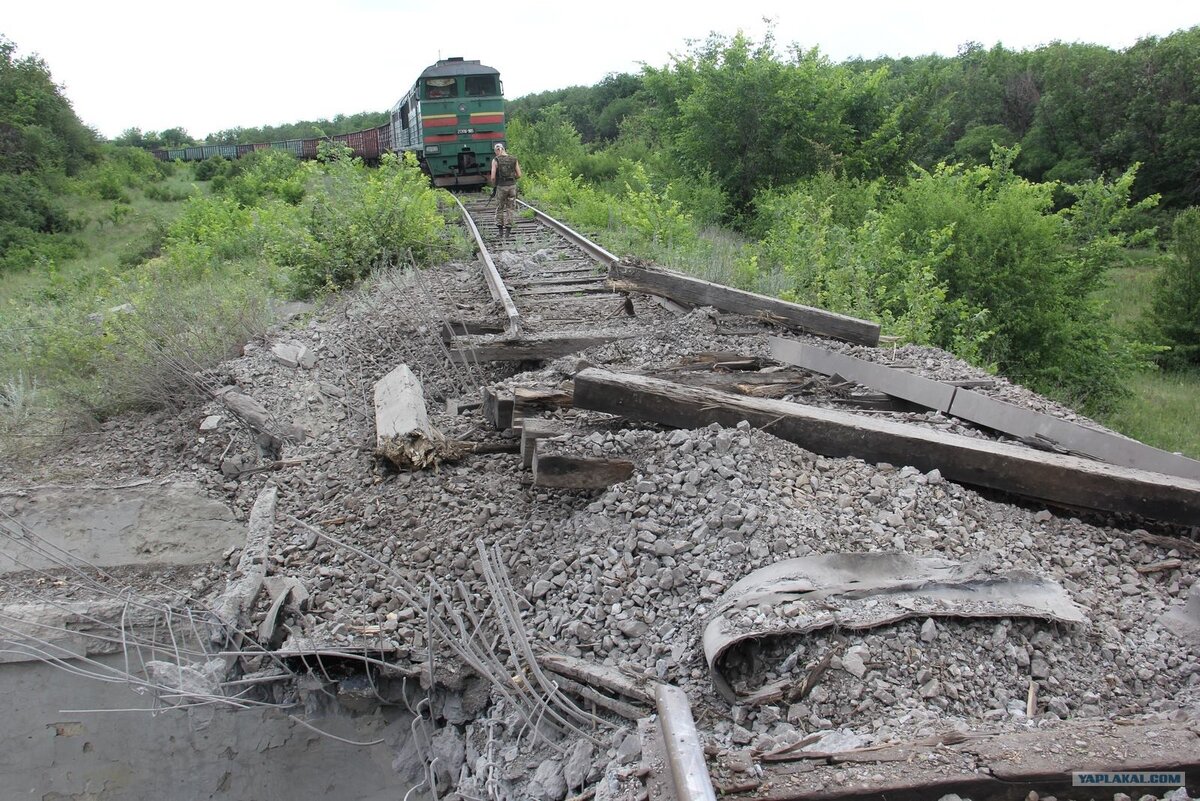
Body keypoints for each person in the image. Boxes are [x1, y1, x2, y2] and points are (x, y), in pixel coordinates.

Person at [488, 143, 521, 238]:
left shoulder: (496, 160)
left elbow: (493, 177)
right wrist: (511, 179)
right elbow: (519, 175)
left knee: (500, 208)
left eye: (495, 152)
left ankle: (500, 232)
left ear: (498, 150)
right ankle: (508, 232)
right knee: (510, 208)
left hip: (501, 187)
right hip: (512, 187)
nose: (495, 154)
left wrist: (495, 185)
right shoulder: (514, 159)